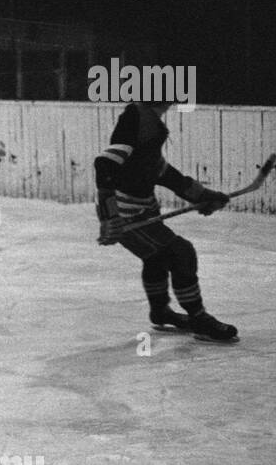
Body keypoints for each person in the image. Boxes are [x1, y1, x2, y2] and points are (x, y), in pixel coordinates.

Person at [94, 99, 237, 342]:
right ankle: (198, 318)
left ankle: (160, 311)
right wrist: (110, 215)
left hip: (142, 209)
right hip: (127, 213)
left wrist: (202, 196)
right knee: (181, 252)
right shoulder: (138, 118)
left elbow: (163, 173)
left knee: (156, 256)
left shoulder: (148, 123)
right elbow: (105, 163)